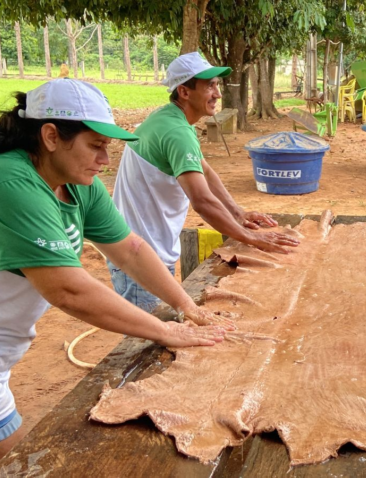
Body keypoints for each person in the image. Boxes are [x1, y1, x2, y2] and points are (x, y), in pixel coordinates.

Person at [0, 79, 232, 478]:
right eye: (96, 145)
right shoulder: (9, 184)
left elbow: (130, 249)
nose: (106, 159)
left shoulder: (77, 186)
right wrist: (166, 331)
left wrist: (186, 306)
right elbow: (67, 290)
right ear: (50, 136)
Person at [111, 52, 299, 312]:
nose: (218, 94)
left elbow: (205, 170)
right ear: (184, 92)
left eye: (217, 85)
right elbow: (201, 201)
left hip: (143, 248)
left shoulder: (170, 120)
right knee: (145, 340)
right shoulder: (177, 132)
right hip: (139, 256)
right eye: (209, 86)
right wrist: (253, 239)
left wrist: (237, 212)